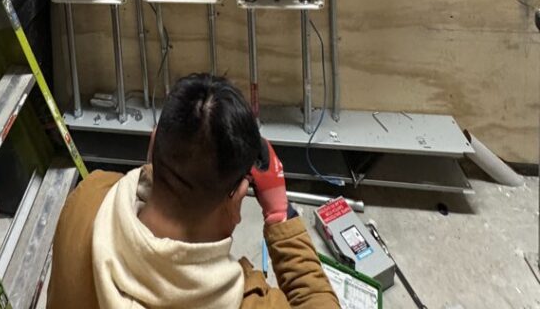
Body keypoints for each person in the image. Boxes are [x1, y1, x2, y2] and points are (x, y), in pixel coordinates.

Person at [47, 73, 339, 308]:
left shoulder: (86, 200)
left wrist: (164, 163)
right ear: (236, 200)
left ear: (153, 143)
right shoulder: (248, 302)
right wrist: (279, 216)